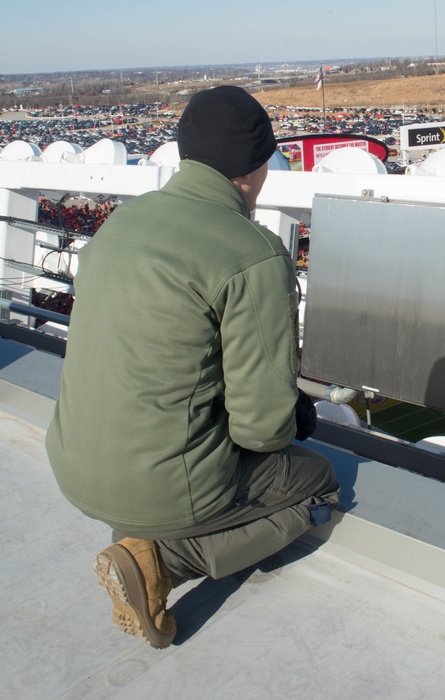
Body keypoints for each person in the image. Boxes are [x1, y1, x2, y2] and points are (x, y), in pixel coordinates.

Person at [45, 85, 339, 649]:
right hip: (157, 491)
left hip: (72, 465)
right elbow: (261, 429)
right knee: (317, 483)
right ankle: (166, 560)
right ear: (256, 167)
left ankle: (143, 539)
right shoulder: (252, 252)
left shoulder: (124, 221)